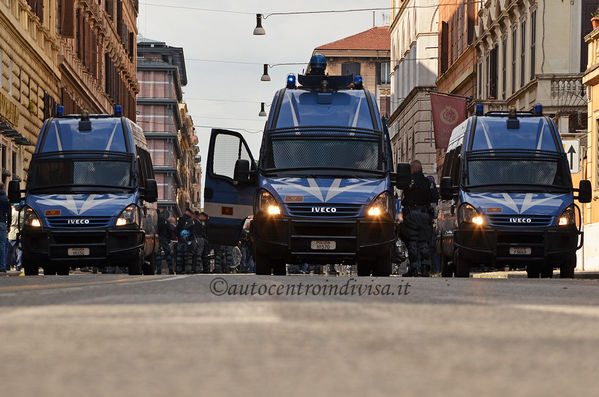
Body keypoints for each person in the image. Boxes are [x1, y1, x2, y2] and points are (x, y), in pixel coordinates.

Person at [400, 160, 439, 277]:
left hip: (411, 215)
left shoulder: (408, 183)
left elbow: (404, 200)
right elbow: (434, 198)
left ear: (412, 169)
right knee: (424, 242)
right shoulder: (429, 182)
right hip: (425, 215)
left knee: (412, 241)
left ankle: (414, 269)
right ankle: (425, 268)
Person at [175, 209, 195, 274]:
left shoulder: (180, 220)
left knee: (179, 257)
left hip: (180, 242)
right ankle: (187, 270)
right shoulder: (190, 221)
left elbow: (176, 230)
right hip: (187, 242)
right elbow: (192, 231)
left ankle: (179, 270)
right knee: (187, 257)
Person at [155, 210, 175, 274]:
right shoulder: (165, 221)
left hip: (157, 238)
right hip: (164, 239)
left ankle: (158, 270)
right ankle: (171, 270)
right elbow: (170, 230)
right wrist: (168, 239)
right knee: (168, 255)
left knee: (158, 255)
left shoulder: (154, 221)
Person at [8, 201, 23, 271]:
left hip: (12, 232)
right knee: (20, 251)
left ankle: (9, 265)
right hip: (21, 233)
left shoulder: (11, 211)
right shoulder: (23, 212)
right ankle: (18, 266)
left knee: (10, 250)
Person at [0, 183, 11, 273]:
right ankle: (2, 266)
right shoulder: (6, 199)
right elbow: (9, 214)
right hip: (2, 223)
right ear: (4, 188)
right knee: (2, 245)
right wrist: (8, 226)